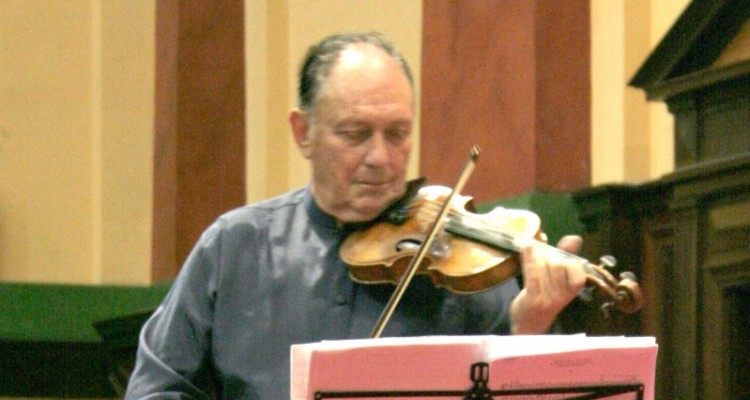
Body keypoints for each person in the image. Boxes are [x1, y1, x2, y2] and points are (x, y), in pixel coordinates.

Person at [124, 32, 586, 400]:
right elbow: (157, 388)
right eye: (355, 134)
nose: (381, 157)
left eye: (398, 133)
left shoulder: (457, 259)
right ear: (303, 132)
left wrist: (528, 327)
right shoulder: (234, 247)